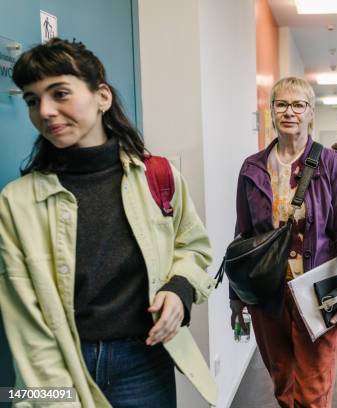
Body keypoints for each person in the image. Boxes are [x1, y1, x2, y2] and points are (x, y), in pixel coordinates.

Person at [0, 39, 217, 408]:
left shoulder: (159, 175)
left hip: (145, 361)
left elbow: (193, 246)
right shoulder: (17, 202)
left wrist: (179, 289)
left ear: (102, 97)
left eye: (60, 93)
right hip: (61, 365)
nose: (46, 111)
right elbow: (27, 327)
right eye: (33, 100)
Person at [230, 77, 337, 408]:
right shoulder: (252, 167)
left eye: (298, 104)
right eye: (281, 104)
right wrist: (236, 297)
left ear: (310, 113)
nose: (289, 111)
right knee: (283, 381)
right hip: (267, 291)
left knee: (314, 388)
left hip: (321, 288)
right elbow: (242, 237)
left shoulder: (334, 164)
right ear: (272, 112)